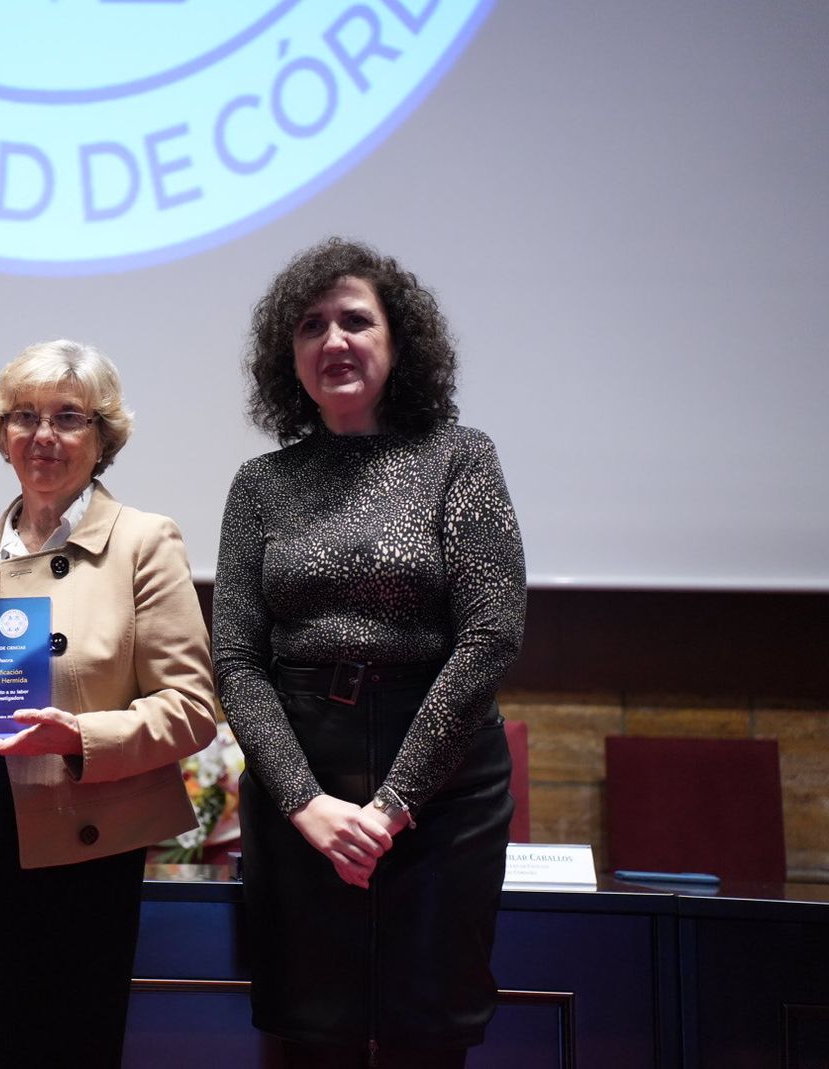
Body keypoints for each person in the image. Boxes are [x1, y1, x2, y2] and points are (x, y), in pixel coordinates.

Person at [213, 238, 526, 1068]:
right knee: (307, 1039)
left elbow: (492, 633)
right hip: (301, 791)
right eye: (311, 326)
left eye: (356, 320)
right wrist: (306, 805)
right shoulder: (259, 483)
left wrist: (391, 804)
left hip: (443, 789)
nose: (333, 341)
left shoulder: (461, 456)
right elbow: (238, 661)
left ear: (399, 341)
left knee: (428, 1038)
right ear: (290, 357)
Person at [0, 340, 218, 1069]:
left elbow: (193, 707)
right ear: (0, 434)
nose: (43, 435)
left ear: (103, 438)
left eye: (68, 417)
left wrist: (78, 736)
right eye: (24, 416)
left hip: (81, 839)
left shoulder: (144, 544)